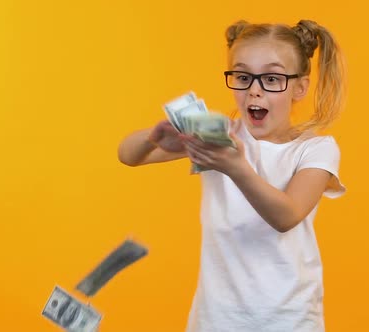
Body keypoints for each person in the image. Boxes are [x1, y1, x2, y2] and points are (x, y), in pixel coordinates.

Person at [118, 19, 347, 332]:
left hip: (289, 318)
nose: (254, 90)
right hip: (216, 318)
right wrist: (152, 137)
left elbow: (287, 215)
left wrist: (236, 167)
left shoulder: (316, 149)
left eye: (271, 78)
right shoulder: (218, 136)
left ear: (300, 86)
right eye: (243, 76)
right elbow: (128, 155)